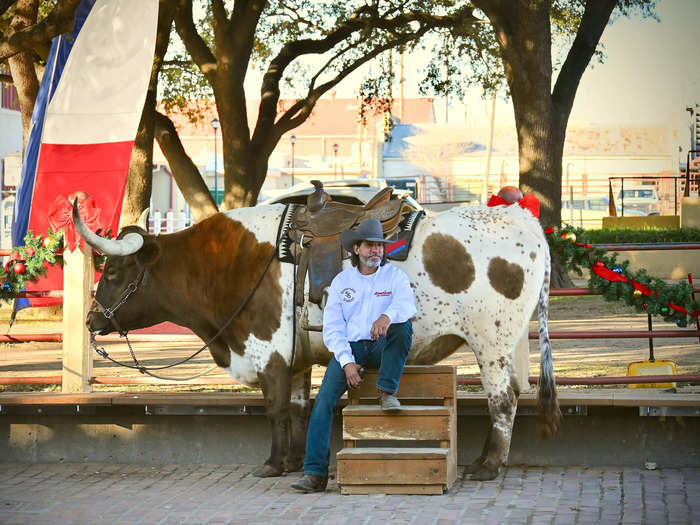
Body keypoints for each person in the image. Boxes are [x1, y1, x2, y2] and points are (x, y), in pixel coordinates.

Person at [291, 218, 417, 493]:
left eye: (380, 246)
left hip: (383, 347)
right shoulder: (342, 281)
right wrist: (347, 362)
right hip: (352, 348)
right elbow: (334, 327)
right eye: (370, 246)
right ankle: (315, 474)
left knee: (403, 326)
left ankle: (387, 390)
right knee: (323, 400)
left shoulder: (394, 276)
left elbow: (407, 304)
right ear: (357, 249)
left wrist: (387, 316)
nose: (376, 251)